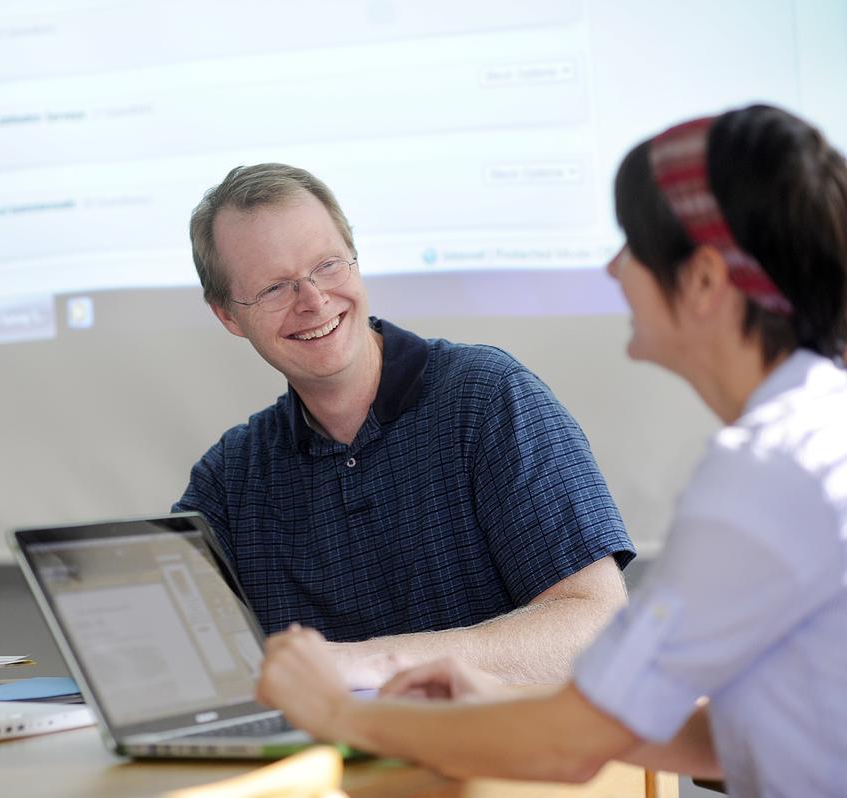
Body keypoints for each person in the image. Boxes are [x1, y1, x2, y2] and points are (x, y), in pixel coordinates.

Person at [256, 105, 847, 796]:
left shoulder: (763, 479)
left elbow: (568, 752)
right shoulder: (815, 433)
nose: (613, 267)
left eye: (633, 245)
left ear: (707, 281)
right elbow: (740, 737)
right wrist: (506, 704)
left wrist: (337, 710)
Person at [175, 163, 635, 688]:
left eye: (327, 265)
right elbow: (174, 657)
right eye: (275, 287)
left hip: (502, 764)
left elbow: (596, 627)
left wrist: (377, 662)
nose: (314, 301)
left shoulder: (487, 397)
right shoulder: (231, 479)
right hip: (326, 769)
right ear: (228, 316)